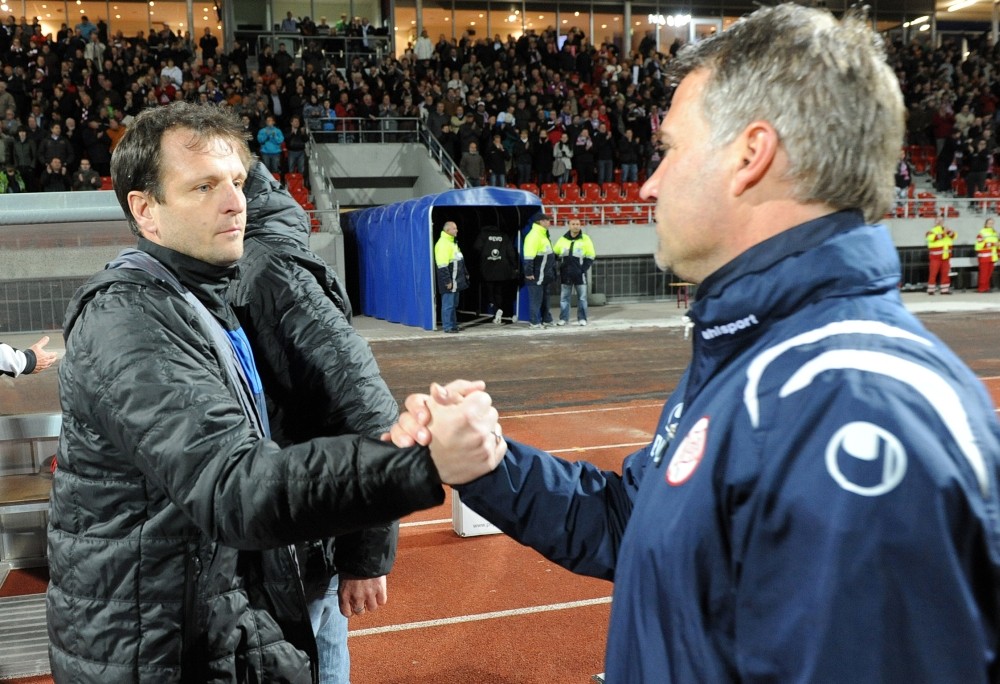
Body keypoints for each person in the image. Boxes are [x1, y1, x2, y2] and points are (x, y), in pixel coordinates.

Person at [394, 6, 1000, 681]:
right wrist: (486, 465)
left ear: (750, 155)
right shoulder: (758, 356)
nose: (650, 182)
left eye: (671, 148)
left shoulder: (852, 411)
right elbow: (634, 522)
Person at [46, 101, 505, 682]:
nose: (234, 201)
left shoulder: (205, 289)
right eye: (203, 187)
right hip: (150, 645)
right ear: (146, 212)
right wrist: (415, 461)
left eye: (237, 182)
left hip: (200, 617)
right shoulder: (129, 320)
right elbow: (234, 486)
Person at [229, 161, 400, 684]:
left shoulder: (267, 270)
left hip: (298, 543)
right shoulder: (244, 263)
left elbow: (371, 417)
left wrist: (365, 556)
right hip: (286, 534)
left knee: (311, 660)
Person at [552, 218, 596, 326]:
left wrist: (582, 269)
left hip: (580, 275)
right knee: (564, 298)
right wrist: (560, 266)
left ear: (580, 225)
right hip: (565, 274)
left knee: (582, 298)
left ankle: (582, 318)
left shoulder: (586, 239)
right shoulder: (562, 239)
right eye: (573, 224)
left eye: (577, 224)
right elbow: (555, 254)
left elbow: (591, 256)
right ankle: (563, 319)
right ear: (569, 225)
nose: (575, 226)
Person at [474, 224, 519, 324]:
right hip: (503, 270)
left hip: (487, 269)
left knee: (489, 292)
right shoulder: (503, 235)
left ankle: (497, 309)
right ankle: (503, 312)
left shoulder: (483, 235)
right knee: (500, 292)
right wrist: (514, 266)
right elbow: (511, 252)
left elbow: (477, 249)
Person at [522, 212, 556, 329]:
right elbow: (528, 257)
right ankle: (534, 322)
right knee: (536, 299)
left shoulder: (543, 235)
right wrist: (529, 273)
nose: (549, 222)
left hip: (545, 275)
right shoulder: (533, 236)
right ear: (541, 222)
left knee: (545, 299)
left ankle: (546, 319)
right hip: (536, 275)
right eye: (547, 220)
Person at [434, 220, 469, 333]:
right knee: (448, 305)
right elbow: (442, 266)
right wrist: (447, 281)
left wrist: (465, 274)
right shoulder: (443, 244)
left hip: (456, 281)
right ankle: (448, 327)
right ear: (448, 230)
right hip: (450, 281)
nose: (457, 230)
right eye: (454, 228)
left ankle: (453, 325)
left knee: (453, 305)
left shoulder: (452, 243)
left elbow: (459, 261)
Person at [926, 214, 956, 294]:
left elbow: (954, 236)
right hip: (935, 256)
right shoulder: (931, 231)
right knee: (933, 273)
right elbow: (931, 238)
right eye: (938, 220)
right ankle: (931, 289)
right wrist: (944, 233)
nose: (940, 222)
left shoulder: (947, 230)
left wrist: (948, 231)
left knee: (945, 273)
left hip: (946, 256)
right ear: (935, 221)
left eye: (941, 220)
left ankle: (944, 289)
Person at [975, 216, 998, 292]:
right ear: (986, 224)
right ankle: (982, 288)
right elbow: (979, 245)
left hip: (992, 256)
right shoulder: (982, 232)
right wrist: (993, 244)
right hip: (984, 256)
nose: (991, 224)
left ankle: (986, 287)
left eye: (992, 223)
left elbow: (997, 244)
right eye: (989, 223)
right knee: (983, 273)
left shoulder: (995, 233)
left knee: (989, 273)